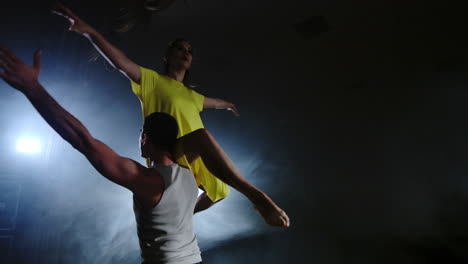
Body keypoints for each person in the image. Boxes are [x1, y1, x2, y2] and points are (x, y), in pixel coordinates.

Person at [0, 46, 288, 263]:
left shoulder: (147, 182)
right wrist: (256, 197)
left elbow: (81, 139)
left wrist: (33, 88)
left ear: (146, 139)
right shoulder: (191, 179)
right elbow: (201, 140)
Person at [51, 3, 286, 224]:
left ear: (191, 61)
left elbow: (213, 102)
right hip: (169, 150)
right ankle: (258, 197)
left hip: (193, 153)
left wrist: (228, 105)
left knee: (219, 192)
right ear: (168, 55)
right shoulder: (152, 81)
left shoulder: (192, 96)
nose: (185, 52)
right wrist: (90, 32)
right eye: (180, 48)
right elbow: (121, 62)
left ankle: (179, 217)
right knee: (203, 137)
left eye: (189, 51)